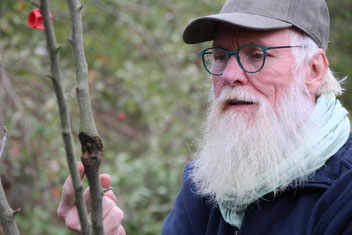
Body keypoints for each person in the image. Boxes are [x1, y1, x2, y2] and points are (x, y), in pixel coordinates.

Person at [57, 0, 352, 234]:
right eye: (221, 56)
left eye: (256, 55)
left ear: (313, 71)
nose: (230, 75)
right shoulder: (206, 183)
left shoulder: (344, 190)